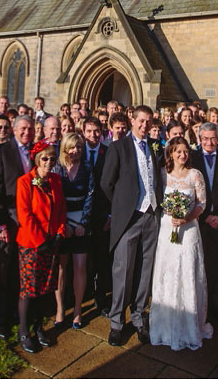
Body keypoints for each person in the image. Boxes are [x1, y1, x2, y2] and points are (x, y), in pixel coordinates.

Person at [100, 105, 163, 347]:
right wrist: (122, 205)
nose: (144, 125)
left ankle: (138, 317)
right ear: (132, 120)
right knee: (123, 272)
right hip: (129, 217)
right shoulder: (118, 147)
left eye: (148, 122)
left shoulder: (154, 147)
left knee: (145, 271)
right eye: (141, 121)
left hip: (151, 216)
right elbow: (107, 183)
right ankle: (117, 321)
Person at [148, 137, 213, 350]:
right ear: (171, 153)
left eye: (185, 152)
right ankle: (165, 326)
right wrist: (170, 213)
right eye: (178, 152)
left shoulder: (195, 175)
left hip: (189, 228)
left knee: (187, 273)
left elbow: (202, 203)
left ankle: (189, 327)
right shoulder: (163, 174)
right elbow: (157, 200)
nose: (182, 156)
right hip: (168, 229)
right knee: (167, 273)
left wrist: (187, 217)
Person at [15, 141, 67, 353]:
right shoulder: (25, 182)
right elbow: (24, 214)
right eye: (44, 159)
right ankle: (23, 331)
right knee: (29, 289)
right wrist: (41, 240)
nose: (48, 163)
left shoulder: (55, 180)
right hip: (32, 244)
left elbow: (62, 207)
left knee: (46, 288)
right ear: (37, 160)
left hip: (52, 242)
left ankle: (38, 327)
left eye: (52, 159)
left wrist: (60, 231)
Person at [0, 114, 34, 339]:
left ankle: (18, 312)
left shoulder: (36, 152)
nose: (27, 133)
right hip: (8, 221)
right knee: (2, 271)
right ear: (14, 130)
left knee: (21, 269)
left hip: (29, 224)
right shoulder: (1, 152)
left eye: (30, 129)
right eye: (23, 129)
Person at [191, 122, 218, 320]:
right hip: (199, 220)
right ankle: (200, 306)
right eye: (205, 139)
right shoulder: (193, 158)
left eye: (212, 138)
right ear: (199, 139)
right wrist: (205, 215)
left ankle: (217, 306)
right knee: (199, 264)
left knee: (217, 265)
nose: (209, 142)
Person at [54, 133, 94, 330]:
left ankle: (77, 310)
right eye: (72, 147)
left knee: (80, 266)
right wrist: (64, 224)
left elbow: (90, 195)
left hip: (80, 223)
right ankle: (60, 309)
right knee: (62, 267)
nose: (76, 151)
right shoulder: (57, 168)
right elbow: (53, 196)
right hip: (63, 222)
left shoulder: (87, 167)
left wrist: (83, 224)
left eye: (79, 147)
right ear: (65, 148)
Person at [82, 117, 112, 316]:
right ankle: (82, 294)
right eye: (89, 131)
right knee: (82, 259)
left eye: (96, 131)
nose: (93, 135)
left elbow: (114, 185)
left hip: (102, 214)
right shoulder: (76, 150)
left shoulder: (109, 152)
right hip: (81, 216)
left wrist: (110, 214)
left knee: (102, 258)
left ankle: (101, 297)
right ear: (83, 131)